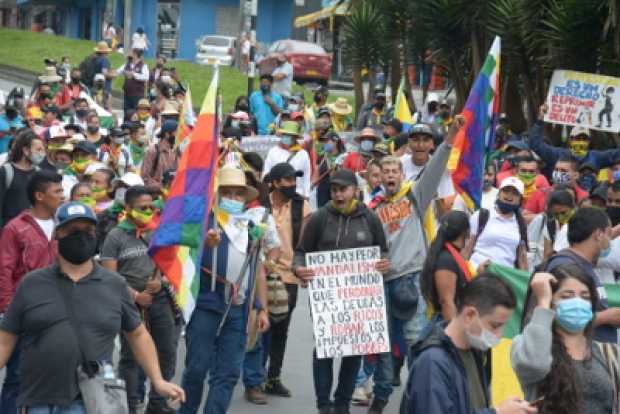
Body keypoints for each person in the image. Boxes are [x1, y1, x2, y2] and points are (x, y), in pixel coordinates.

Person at [0, 201, 185, 413]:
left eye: (88, 230)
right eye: (73, 230)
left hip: (94, 400)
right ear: (57, 235)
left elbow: (138, 334)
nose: (82, 236)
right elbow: (6, 339)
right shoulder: (32, 283)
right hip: (40, 400)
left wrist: (158, 380)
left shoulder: (114, 284)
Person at [364, 117, 459, 413]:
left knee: (416, 343)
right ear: (378, 177)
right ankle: (380, 398)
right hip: (380, 284)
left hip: (410, 280)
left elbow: (437, 165)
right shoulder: (372, 209)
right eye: (385, 171)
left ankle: (420, 398)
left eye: (395, 170)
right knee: (382, 348)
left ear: (402, 174)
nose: (390, 175)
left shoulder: (416, 196)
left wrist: (452, 135)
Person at [294, 168, 390, 414]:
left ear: (355, 191)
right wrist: (299, 268)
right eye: (334, 190)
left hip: (358, 299)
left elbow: (383, 251)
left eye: (343, 189)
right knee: (324, 351)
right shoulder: (320, 218)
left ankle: (342, 403)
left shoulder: (369, 218)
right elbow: (301, 251)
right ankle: (323, 404)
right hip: (327, 297)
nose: (338, 194)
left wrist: (383, 263)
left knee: (353, 353)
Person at [179, 166, 270, 414]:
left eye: (238, 194)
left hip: (239, 310)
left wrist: (261, 308)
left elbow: (257, 268)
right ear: (217, 196)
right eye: (227, 193)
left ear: (245, 198)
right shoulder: (202, 222)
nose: (232, 198)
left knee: (228, 374)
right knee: (197, 369)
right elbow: (182, 259)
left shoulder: (251, 227)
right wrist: (203, 244)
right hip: (206, 306)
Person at [404, 274, 536, 414]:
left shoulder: (476, 349)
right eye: (494, 325)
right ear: (469, 315)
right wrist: (497, 412)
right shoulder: (432, 362)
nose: (499, 335)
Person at [101, 185, 180, 414]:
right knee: (132, 357)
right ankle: (131, 404)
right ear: (127, 208)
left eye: (150, 207)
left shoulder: (159, 231)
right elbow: (110, 276)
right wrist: (136, 296)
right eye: (141, 208)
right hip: (130, 305)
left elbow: (173, 263)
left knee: (166, 351)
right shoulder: (115, 236)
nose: (147, 211)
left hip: (161, 300)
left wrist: (161, 281)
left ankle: (157, 403)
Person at [513, 267, 620, 414]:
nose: (577, 303)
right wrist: (543, 302)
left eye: (585, 297)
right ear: (551, 302)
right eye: (567, 296)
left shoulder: (609, 353)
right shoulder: (528, 344)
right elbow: (534, 365)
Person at [0, 170, 63, 413]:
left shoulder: (63, 225)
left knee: (52, 375)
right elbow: (4, 271)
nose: (62, 195)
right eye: (56, 191)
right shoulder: (15, 228)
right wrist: (7, 310)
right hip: (23, 314)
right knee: (16, 377)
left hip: (58, 313)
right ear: (39, 196)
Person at [261, 163, 313, 398]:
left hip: (289, 275)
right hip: (261, 273)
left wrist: (304, 267)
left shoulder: (301, 205)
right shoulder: (261, 204)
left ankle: (273, 378)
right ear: (273, 183)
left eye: (293, 179)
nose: (291, 184)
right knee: (259, 324)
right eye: (286, 180)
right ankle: (254, 376)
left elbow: (308, 239)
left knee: (281, 328)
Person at [544, 207, 620, 343]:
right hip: (576, 357)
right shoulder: (566, 267)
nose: (610, 240)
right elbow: (562, 319)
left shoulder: (583, 264)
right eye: (609, 233)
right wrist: (607, 317)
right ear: (598, 234)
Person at [420, 210, 476, 322]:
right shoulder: (445, 260)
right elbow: (446, 301)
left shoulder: (452, 256)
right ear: (466, 232)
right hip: (448, 324)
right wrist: (454, 334)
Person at [533, 104, 620, 171]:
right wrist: (540, 119)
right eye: (578, 138)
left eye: (584, 139)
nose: (581, 141)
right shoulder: (558, 154)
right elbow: (535, 145)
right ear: (571, 140)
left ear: (589, 141)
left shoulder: (596, 157)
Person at [469, 177, 529, 270]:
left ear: (520, 199)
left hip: (504, 278)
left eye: (515, 193)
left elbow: (522, 258)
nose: (509, 195)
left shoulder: (521, 223)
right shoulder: (481, 215)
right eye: (506, 191)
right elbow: (468, 247)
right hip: (476, 272)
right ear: (499, 193)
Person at [0, 130, 46, 229]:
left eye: (43, 150)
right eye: (38, 150)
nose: (42, 154)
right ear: (25, 150)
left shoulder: (39, 173)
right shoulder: (6, 172)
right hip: (9, 232)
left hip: (32, 231)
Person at [400, 123, 455, 200]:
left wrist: (436, 197)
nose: (420, 145)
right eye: (415, 140)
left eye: (425, 140)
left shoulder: (441, 169)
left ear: (432, 144)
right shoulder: (399, 164)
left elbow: (446, 208)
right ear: (408, 143)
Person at [524, 155, 589, 216]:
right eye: (556, 170)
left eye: (563, 170)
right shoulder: (540, 192)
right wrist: (546, 217)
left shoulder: (585, 197)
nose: (558, 173)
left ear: (576, 175)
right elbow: (525, 217)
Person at [262, 121, 311, 197]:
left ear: (295, 138)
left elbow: (306, 176)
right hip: (277, 193)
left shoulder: (303, 154)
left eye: (290, 135)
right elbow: (266, 172)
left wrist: (307, 195)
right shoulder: (273, 151)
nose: (286, 137)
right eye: (285, 135)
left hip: (297, 193)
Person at [141, 120, 180, 189]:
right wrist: (161, 188)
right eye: (176, 133)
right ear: (167, 134)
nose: (178, 136)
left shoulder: (176, 151)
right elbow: (145, 177)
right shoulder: (152, 151)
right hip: (157, 194)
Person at [313, 131, 345, 208]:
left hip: (338, 194)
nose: (324, 143)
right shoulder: (321, 157)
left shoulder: (343, 157)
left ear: (335, 142)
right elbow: (316, 175)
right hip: (322, 195)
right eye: (324, 141)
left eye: (327, 141)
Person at [118, 49, 150, 118]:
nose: (129, 55)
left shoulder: (143, 66)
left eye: (131, 53)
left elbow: (146, 77)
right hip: (127, 94)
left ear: (135, 55)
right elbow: (118, 71)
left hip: (137, 94)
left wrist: (134, 74)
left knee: (137, 113)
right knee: (126, 112)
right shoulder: (126, 65)